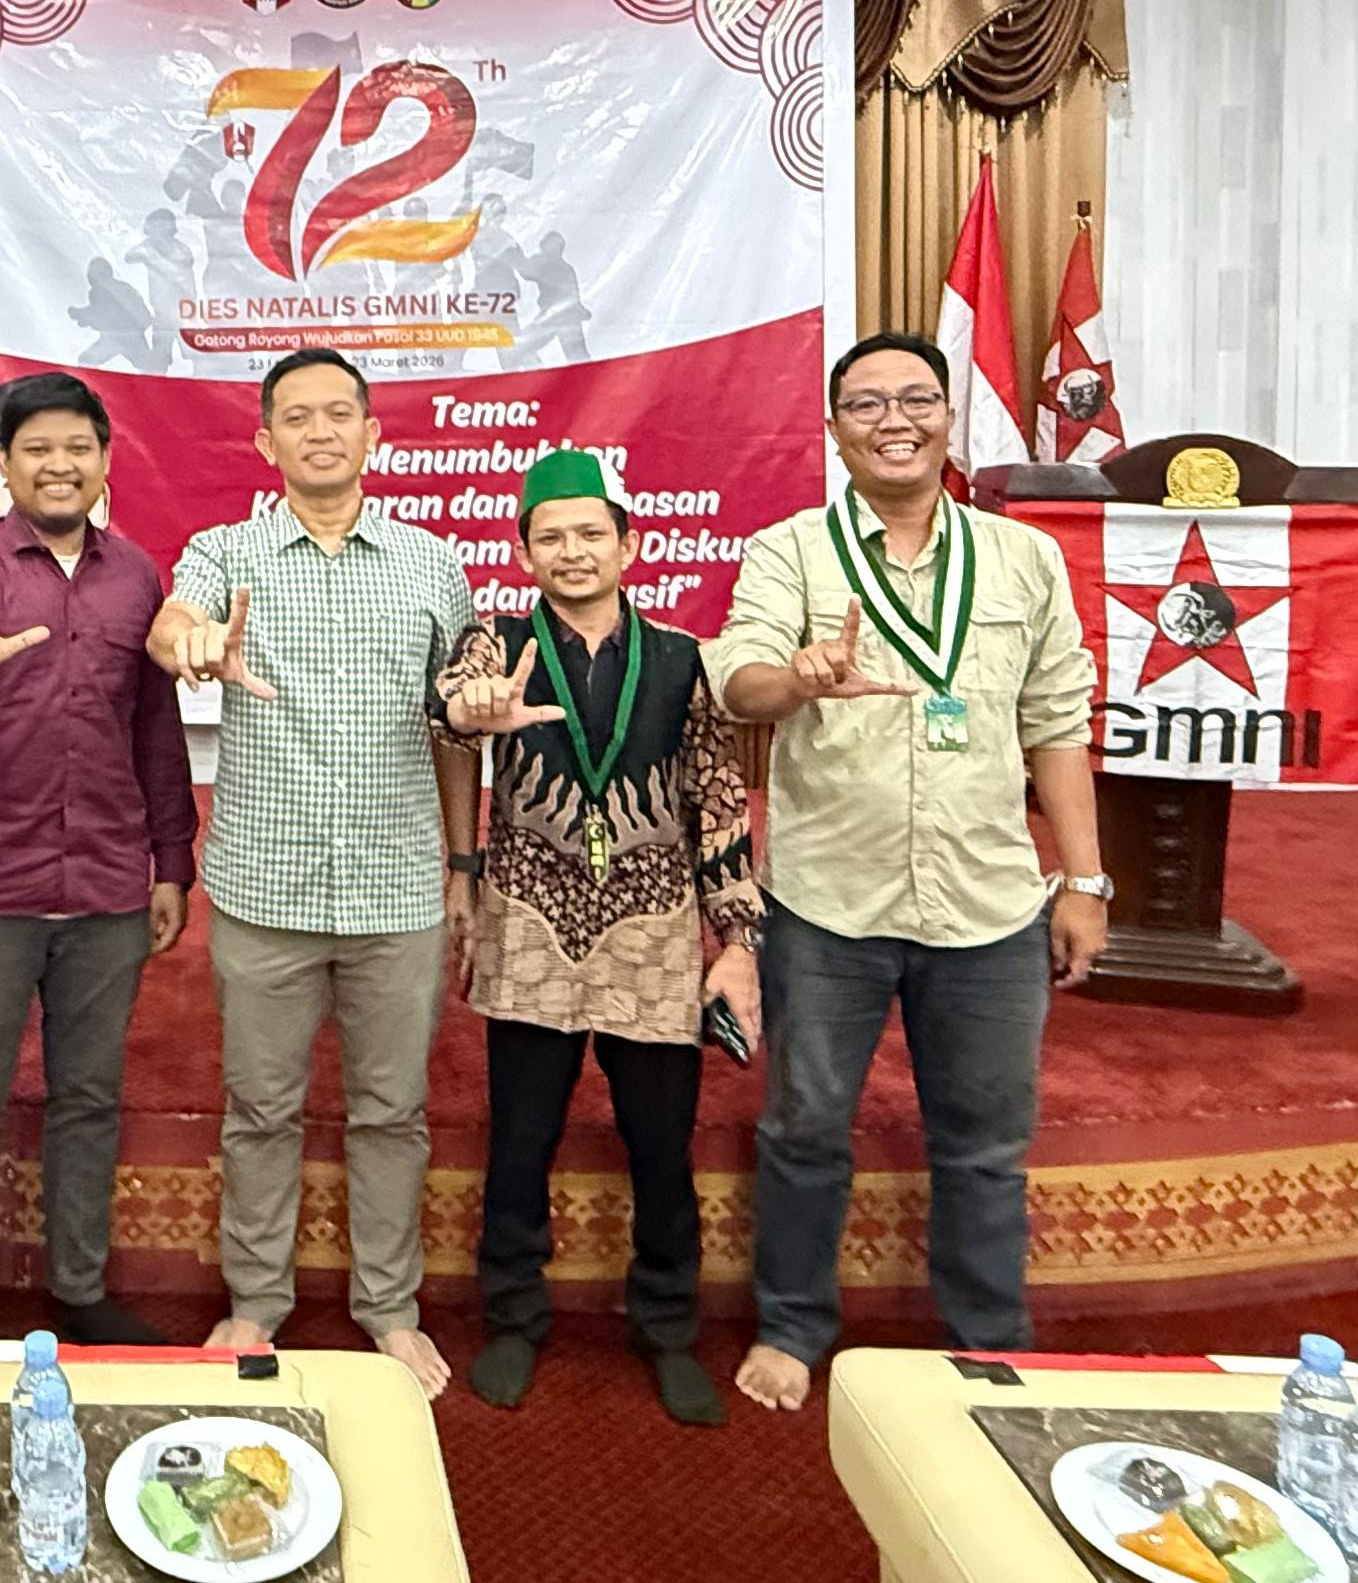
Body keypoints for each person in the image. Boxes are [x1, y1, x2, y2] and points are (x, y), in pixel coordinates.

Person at [703, 331, 1111, 1413]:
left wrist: (1085, 881)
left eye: (917, 399)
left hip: (988, 905)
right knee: (804, 1130)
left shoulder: (1022, 559)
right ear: (835, 430)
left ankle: (988, 1340)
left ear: (947, 416)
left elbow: (1057, 724)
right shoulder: (792, 552)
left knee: (985, 1147)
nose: (896, 420)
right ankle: (793, 1326)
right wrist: (797, 678)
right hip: (828, 903)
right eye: (868, 404)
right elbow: (737, 681)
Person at [148, 347, 476, 1398]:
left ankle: (389, 1308)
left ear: (373, 435)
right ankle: (256, 1301)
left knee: (392, 1113)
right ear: (266, 441)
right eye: (298, 417)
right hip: (265, 889)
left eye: (341, 414)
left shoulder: (434, 565)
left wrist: (463, 862)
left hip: (398, 890)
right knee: (259, 1110)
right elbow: (170, 624)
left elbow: (457, 727)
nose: (321, 432)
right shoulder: (223, 551)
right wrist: (193, 644)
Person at [436, 448, 761, 1424]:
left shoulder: (680, 660)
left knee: (660, 1143)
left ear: (629, 545)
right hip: (529, 925)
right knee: (520, 1138)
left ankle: (667, 1327)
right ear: (523, 553)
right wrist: (468, 709)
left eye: (590, 534)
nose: (571, 552)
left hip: (652, 931)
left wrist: (737, 940)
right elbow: (451, 709)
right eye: (550, 537)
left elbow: (717, 800)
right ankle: (513, 1317)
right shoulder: (498, 644)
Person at [0, 372, 195, 1347]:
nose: (60, 465)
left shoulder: (136, 575)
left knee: (88, 1101)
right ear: (4, 467)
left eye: (77, 448)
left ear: (104, 462)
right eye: (38, 450)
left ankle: (79, 1290)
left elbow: (155, 729)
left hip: (105, 892)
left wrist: (171, 861)